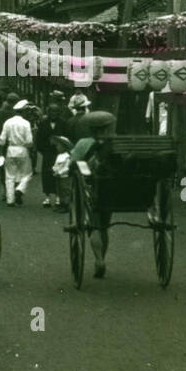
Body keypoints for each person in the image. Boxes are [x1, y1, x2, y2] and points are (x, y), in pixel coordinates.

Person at [68, 111, 117, 278]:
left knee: (95, 224)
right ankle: (102, 256)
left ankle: (99, 259)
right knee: (105, 225)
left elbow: (72, 165)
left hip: (94, 188)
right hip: (114, 188)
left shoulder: (83, 143)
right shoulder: (117, 142)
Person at [0, 99, 36, 206]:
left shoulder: (8, 122)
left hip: (10, 150)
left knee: (10, 175)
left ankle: (10, 200)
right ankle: (20, 189)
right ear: (23, 111)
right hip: (22, 150)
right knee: (27, 174)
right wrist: (29, 147)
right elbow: (29, 141)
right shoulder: (26, 123)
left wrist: (0, 153)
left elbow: (2, 139)